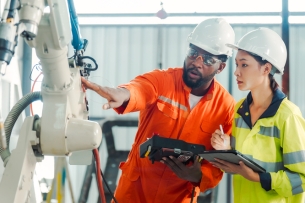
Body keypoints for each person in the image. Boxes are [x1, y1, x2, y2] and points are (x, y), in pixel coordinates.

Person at [82, 18, 236, 203]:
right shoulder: (164, 80)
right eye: (193, 52)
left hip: (179, 198)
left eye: (208, 59)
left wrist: (199, 175)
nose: (197, 62)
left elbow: (220, 161)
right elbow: (141, 88)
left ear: (221, 66)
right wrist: (123, 94)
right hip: (133, 194)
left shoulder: (225, 108)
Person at [210, 27, 305, 203]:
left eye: (244, 65)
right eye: (237, 64)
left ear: (266, 68)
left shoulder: (288, 116)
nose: (236, 72)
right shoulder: (239, 110)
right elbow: (241, 164)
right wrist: (226, 149)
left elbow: (302, 179)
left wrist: (258, 178)